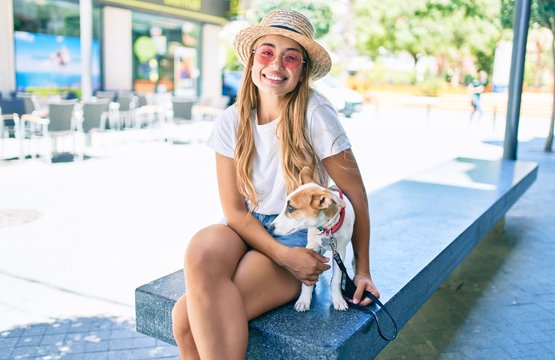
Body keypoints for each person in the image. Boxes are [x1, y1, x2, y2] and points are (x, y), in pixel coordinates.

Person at [171, 9, 380, 359]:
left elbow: (355, 195)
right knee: (201, 249)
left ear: (302, 73)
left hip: (299, 235)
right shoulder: (231, 121)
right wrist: (282, 256)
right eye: (267, 52)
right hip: (248, 226)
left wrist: (363, 270)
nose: (276, 64)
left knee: (185, 320)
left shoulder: (317, 114)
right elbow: (235, 213)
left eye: (291, 57)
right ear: (252, 62)